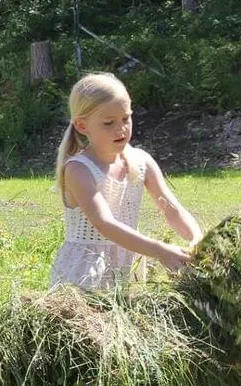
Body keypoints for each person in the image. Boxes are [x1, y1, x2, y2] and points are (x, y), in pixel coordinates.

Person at [49, 72, 202, 290]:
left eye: (126, 118)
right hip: (83, 277)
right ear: (82, 126)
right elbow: (105, 224)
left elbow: (172, 210)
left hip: (123, 273)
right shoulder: (78, 169)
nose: (121, 129)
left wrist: (197, 240)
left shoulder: (141, 162)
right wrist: (159, 250)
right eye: (108, 123)